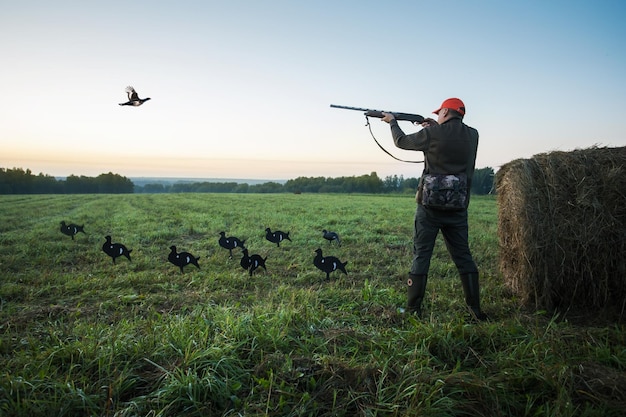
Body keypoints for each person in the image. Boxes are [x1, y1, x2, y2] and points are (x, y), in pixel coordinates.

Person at [381, 98, 487, 320]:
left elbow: (401, 141)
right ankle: (475, 310)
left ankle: (413, 310)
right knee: (463, 256)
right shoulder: (473, 135)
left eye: (440, 113)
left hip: (429, 208)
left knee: (422, 255)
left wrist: (392, 122)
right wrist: (434, 128)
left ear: (446, 112)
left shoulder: (432, 135)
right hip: (458, 208)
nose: (438, 116)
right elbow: (449, 140)